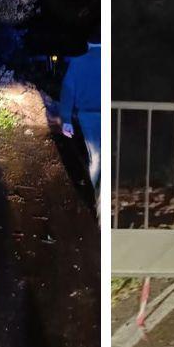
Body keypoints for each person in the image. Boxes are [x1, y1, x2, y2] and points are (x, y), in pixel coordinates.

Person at [59, 41, 102, 221]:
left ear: (88, 44)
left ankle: (96, 199)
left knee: (96, 158)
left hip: (88, 116)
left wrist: (66, 120)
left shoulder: (77, 63)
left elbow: (68, 91)